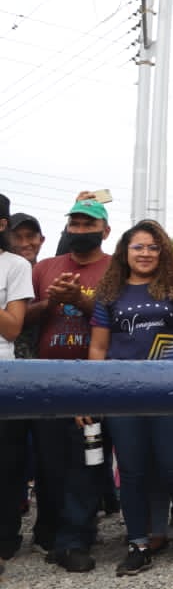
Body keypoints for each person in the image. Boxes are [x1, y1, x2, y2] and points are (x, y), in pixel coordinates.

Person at [87, 220, 173, 574]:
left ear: (162, 252)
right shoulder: (109, 293)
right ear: (125, 252)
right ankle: (137, 543)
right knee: (131, 472)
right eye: (138, 247)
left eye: (153, 247)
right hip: (122, 396)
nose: (145, 253)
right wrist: (92, 395)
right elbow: (98, 347)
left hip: (169, 395)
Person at [25, 198, 112, 572]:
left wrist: (81, 301)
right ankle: (52, 532)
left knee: (87, 460)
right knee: (49, 462)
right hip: (47, 381)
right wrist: (51, 302)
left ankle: (76, 537)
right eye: (74, 224)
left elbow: (121, 319)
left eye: (88, 224)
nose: (80, 230)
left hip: (95, 378)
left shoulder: (116, 269)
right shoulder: (44, 267)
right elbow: (21, 319)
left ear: (105, 230)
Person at [0, 196, 34, 573]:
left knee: (6, 464)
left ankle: (5, 538)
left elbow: (12, 327)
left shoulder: (16, 265)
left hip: (3, 372)